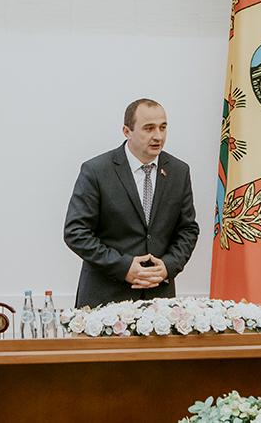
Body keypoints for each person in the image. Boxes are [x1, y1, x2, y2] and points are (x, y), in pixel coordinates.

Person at [64, 98, 200, 308]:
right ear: (127, 131)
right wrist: (123, 266)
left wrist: (168, 266)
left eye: (163, 127)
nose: (158, 136)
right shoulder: (96, 171)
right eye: (149, 128)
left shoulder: (178, 171)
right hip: (104, 302)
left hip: (159, 302)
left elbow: (188, 229)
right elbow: (76, 232)